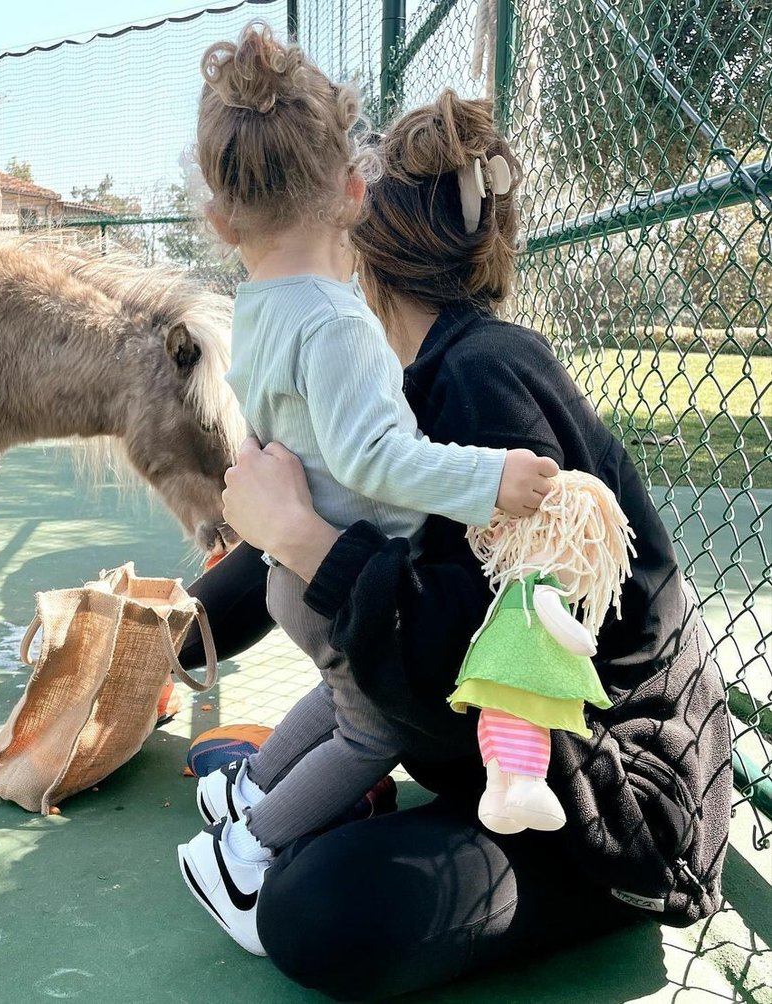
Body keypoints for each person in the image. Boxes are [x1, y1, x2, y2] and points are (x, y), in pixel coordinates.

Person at [177, 86, 732, 1000]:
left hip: (610, 805)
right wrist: (204, 600)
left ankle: (288, 832)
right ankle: (287, 800)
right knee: (326, 833)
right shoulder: (406, 379)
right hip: (506, 758)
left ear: (361, 244)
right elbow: (308, 528)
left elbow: (460, 684)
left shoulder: (481, 382)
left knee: (317, 912)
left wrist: (304, 539)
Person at [176, 23, 558, 957]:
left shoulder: (259, 307)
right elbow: (379, 458)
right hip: (342, 569)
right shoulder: (338, 324)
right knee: (373, 727)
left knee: (344, 703)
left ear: (224, 223)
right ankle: (243, 852)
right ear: (352, 194)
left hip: (294, 571)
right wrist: (488, 480)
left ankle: (252, 784)